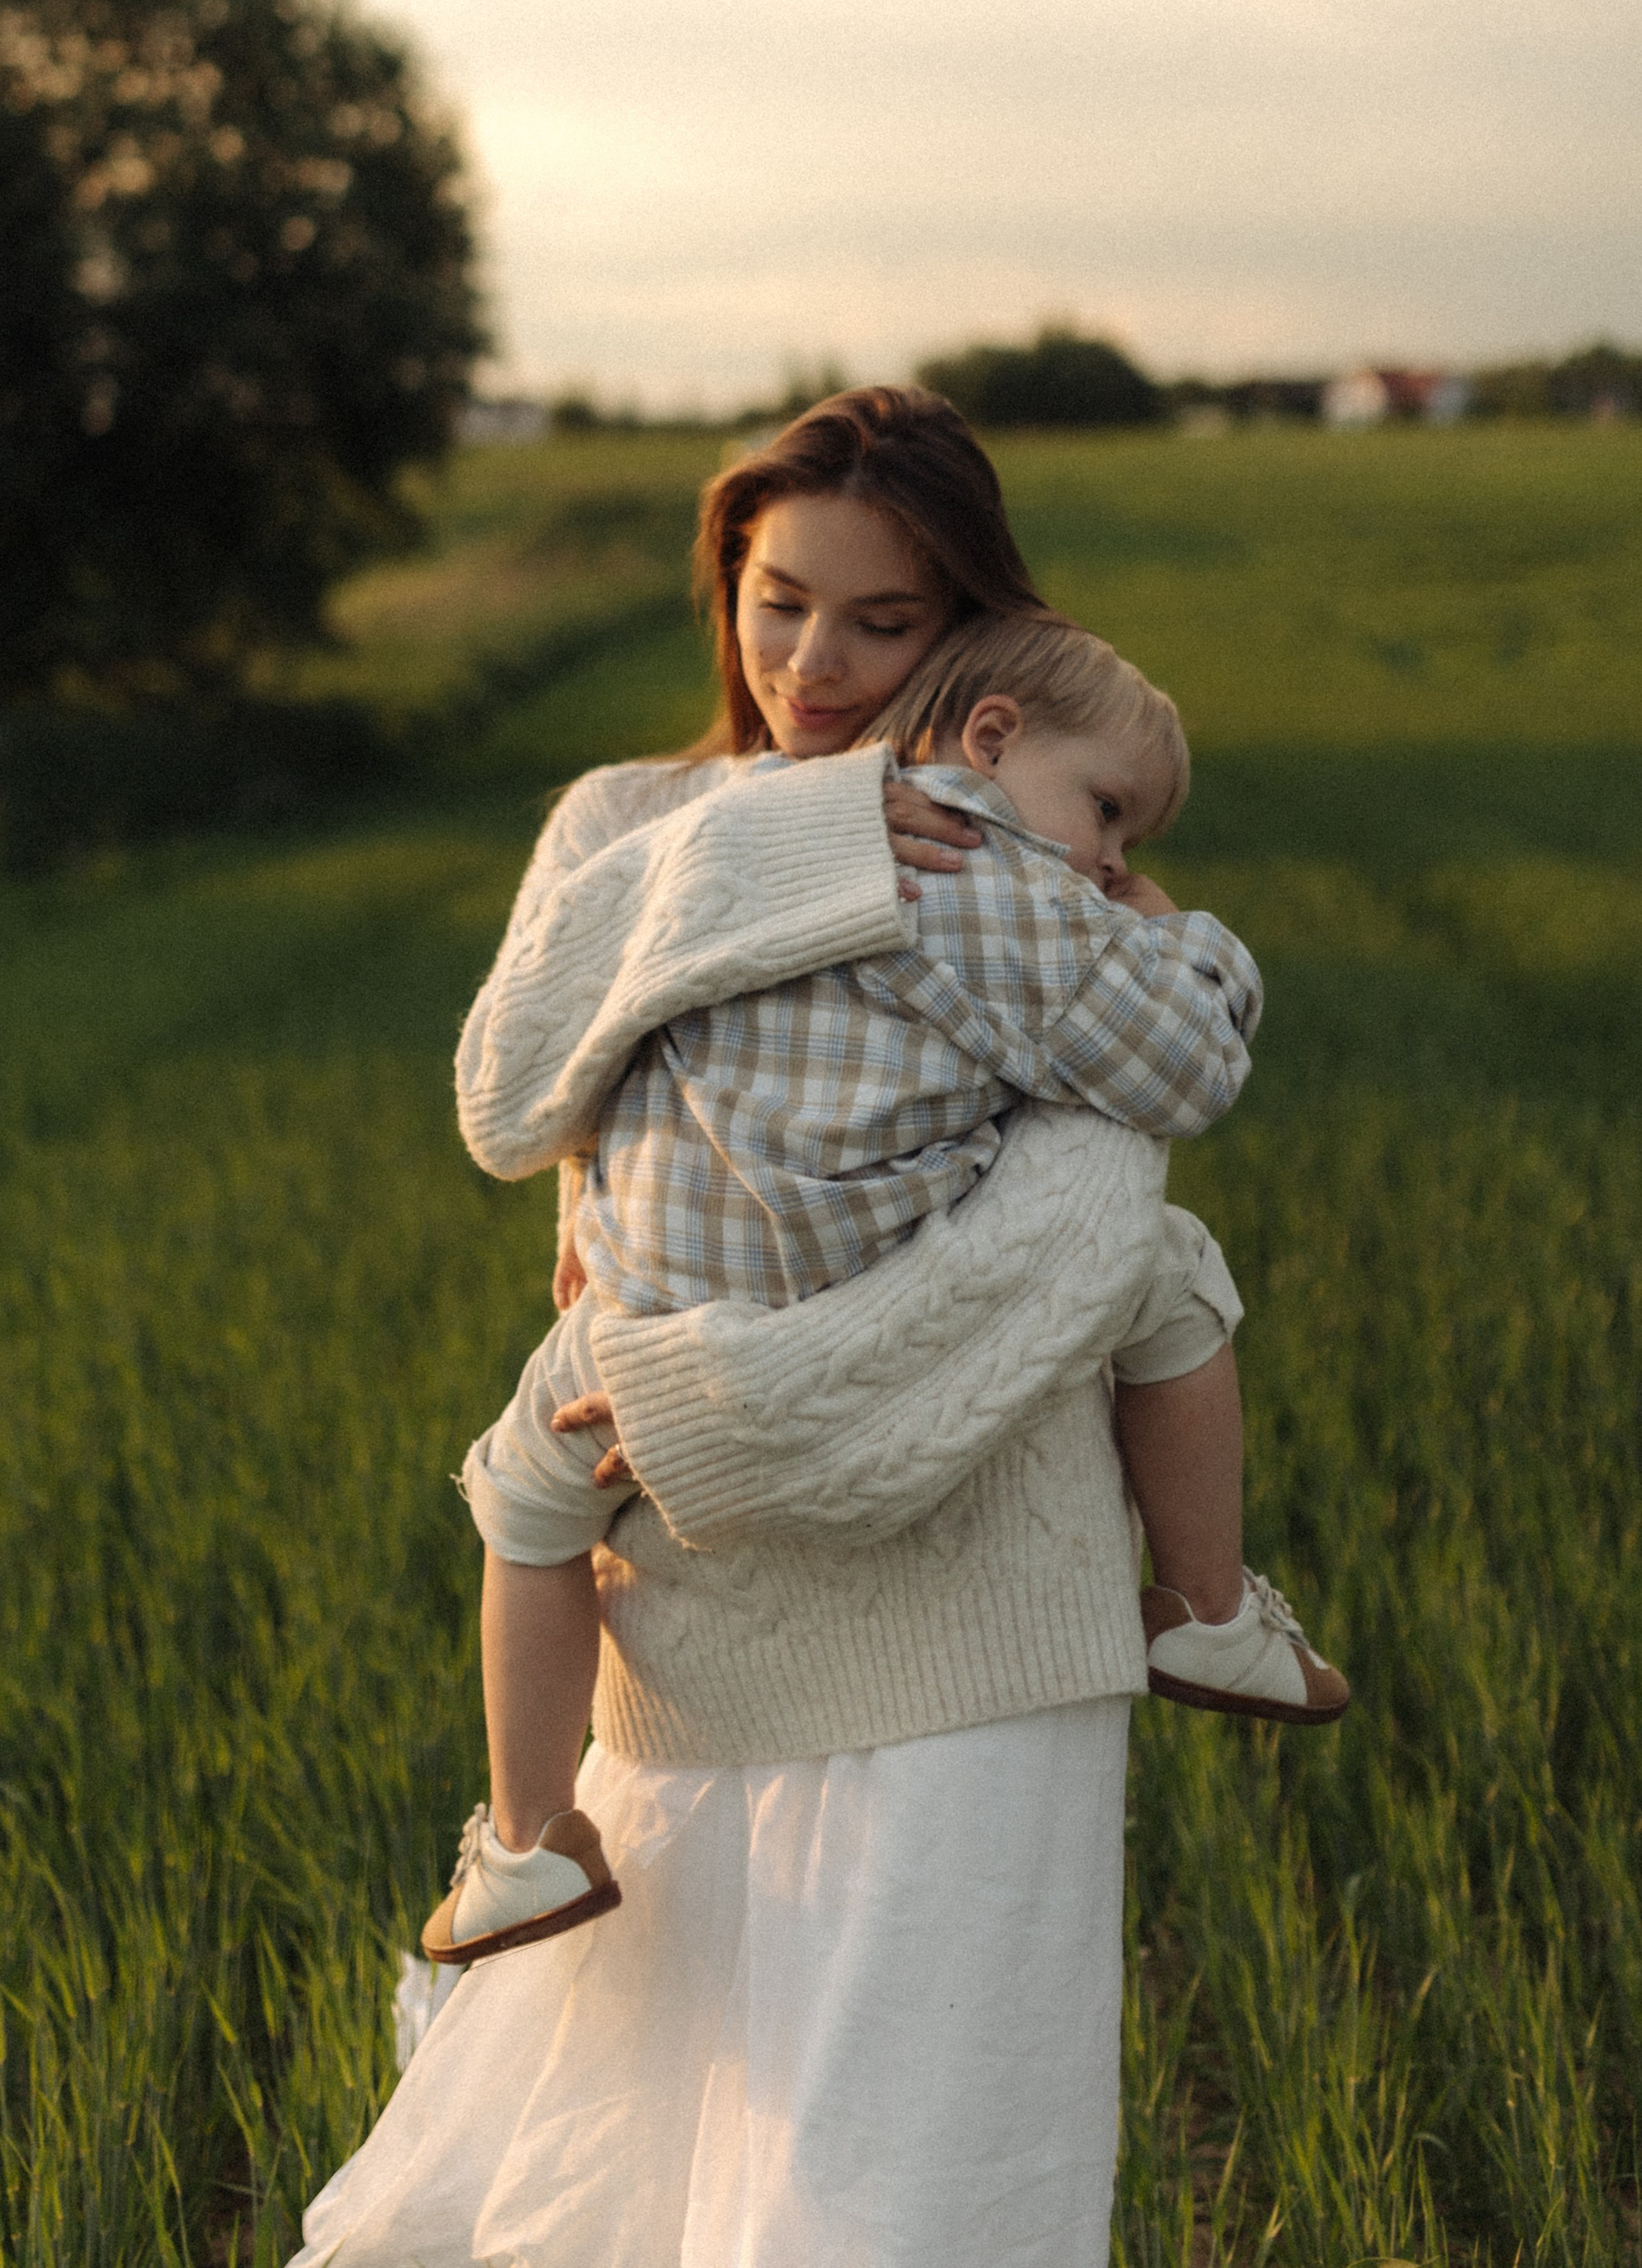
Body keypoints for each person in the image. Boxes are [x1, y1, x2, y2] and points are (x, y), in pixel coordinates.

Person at [290, 388, 1303, 2268]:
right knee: (649, 2157)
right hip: (690, 1610)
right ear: (725, 590)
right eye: (776, 602)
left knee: (914, 2186)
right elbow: (510, 1110)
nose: (811, 665)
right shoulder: (623, 822)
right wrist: (773, 851)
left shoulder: (1013, 851)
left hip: (972, 1606)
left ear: (973, 643)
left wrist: (757, 1395)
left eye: (879, 621)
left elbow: (1114, 1169)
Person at [427, 605, 1348, 1969]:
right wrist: (1182, 937)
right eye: (1107, 813)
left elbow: (552, 1081)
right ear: (991, 738)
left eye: (1130, 846)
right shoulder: (983, 876)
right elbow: (1187, 1070)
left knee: (522, 1498)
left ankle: (524, 1837)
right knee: (1174, 1281)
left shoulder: (750, 854)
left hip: (638, 1314)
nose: (1107, 857)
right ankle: (1207, 1611)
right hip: (846, 1279)